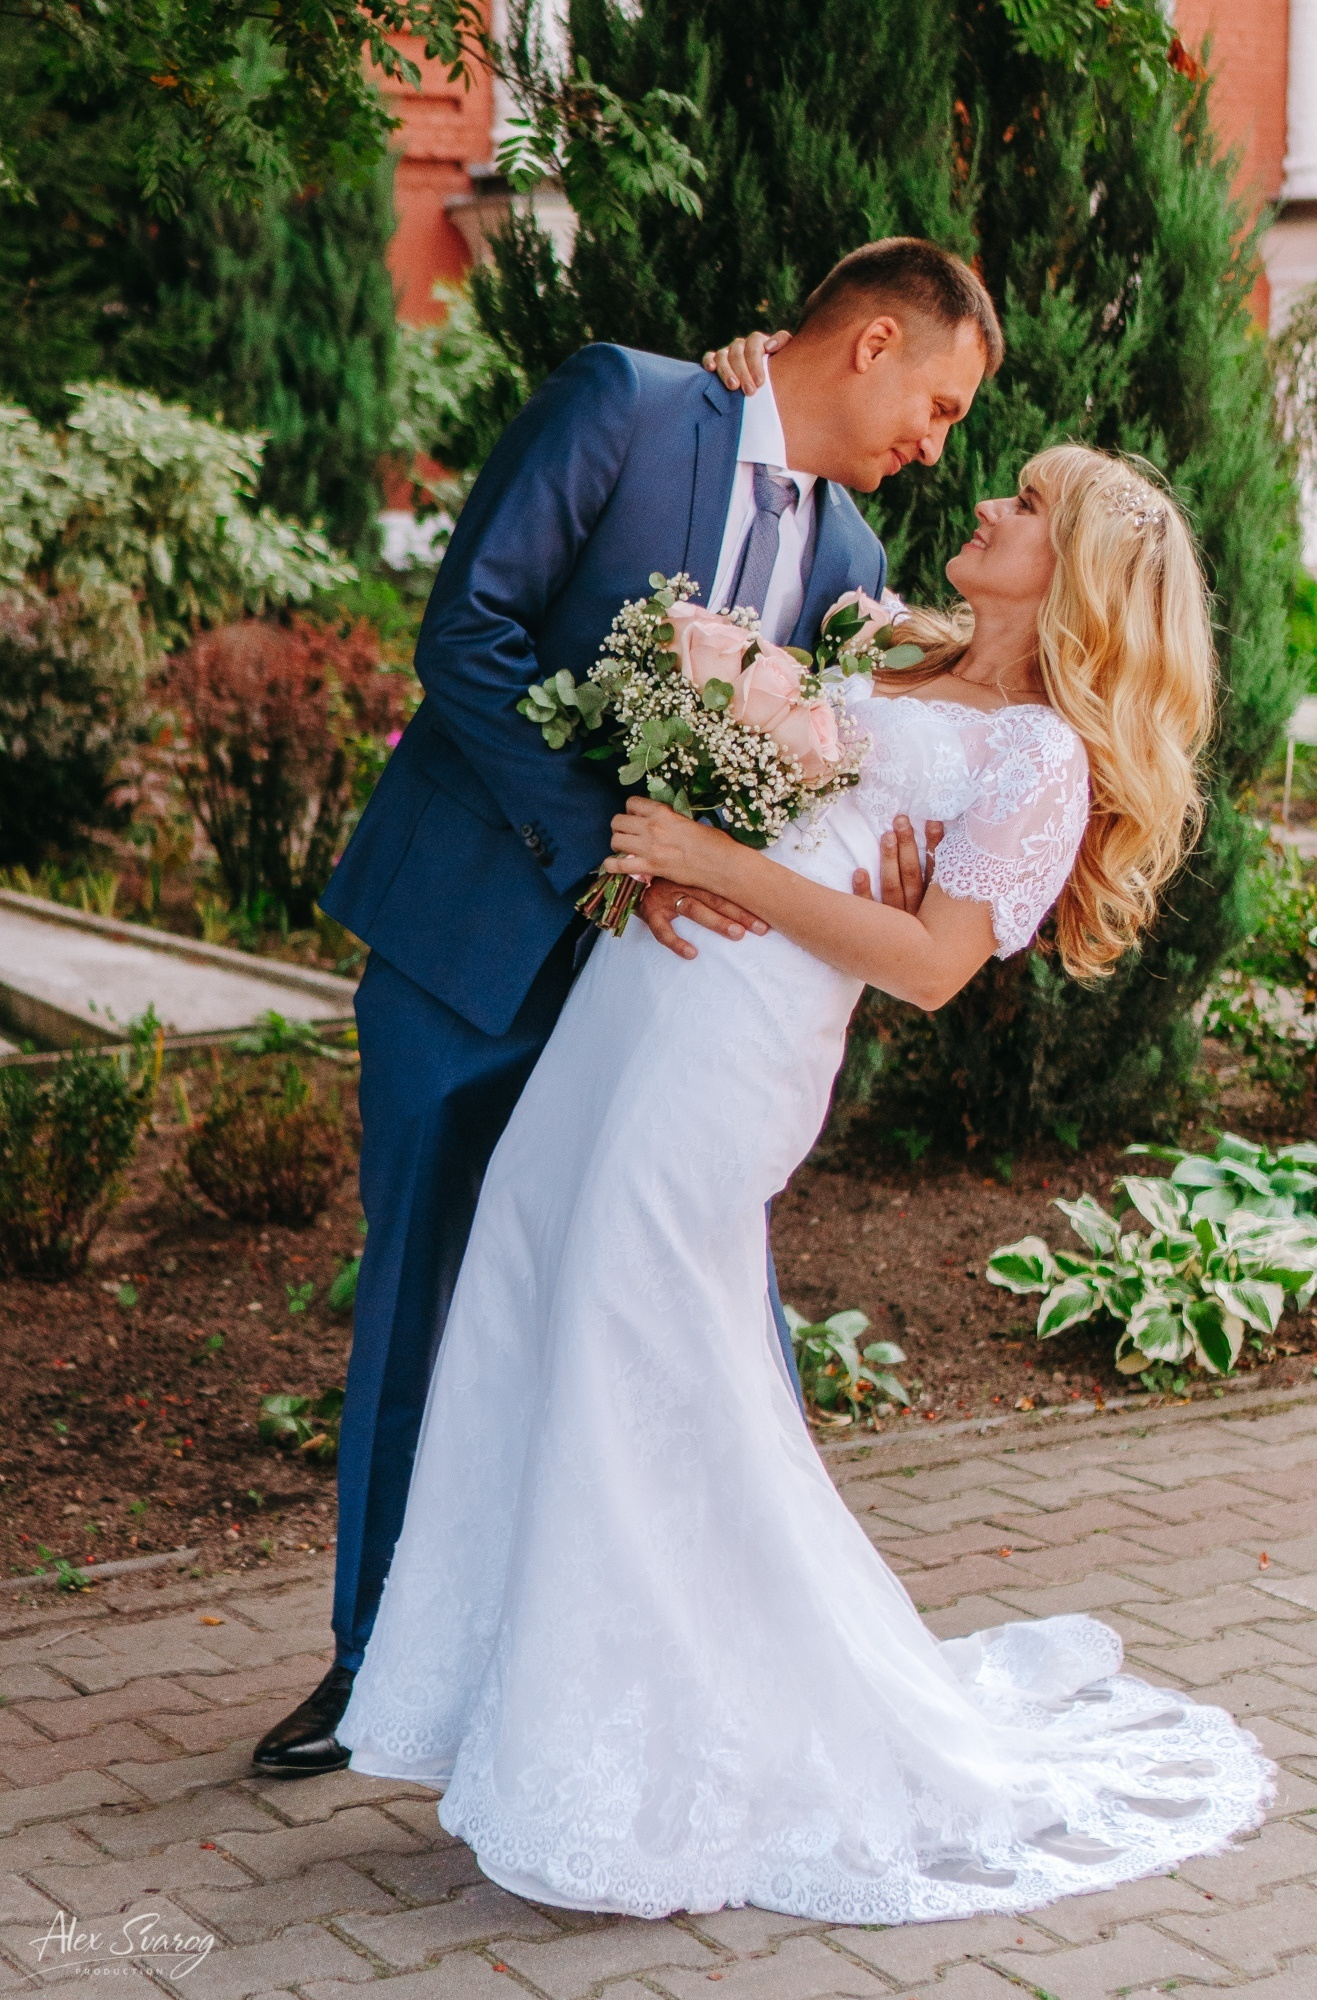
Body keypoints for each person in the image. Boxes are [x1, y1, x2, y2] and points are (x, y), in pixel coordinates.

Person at [332, 444, 1275, 1920]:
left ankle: (644, 1749)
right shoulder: (890, 642)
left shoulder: (1035, 756)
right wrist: (701, 829)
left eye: (1026, 507)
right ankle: (505, 1700)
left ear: (1081, 574)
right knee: (528, 1261)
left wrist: (722, 854)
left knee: (627, 1326)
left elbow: (932, 967)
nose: (988, 506)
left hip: (744, 1041)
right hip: (643, 989)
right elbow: (800, 804)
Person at [251, 238, 1002, 1777]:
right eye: (935, 401)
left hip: (665, 1003)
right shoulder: (628, 406)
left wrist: (901, 830)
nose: (940, 444)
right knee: (430, 1288)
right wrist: (614, 844)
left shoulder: (854, 565)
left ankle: (674, 1663)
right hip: (469, 935)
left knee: (683, 1303)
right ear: (867, 343)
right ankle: (377, 1655)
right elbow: (466, 633)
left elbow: (869, 752)